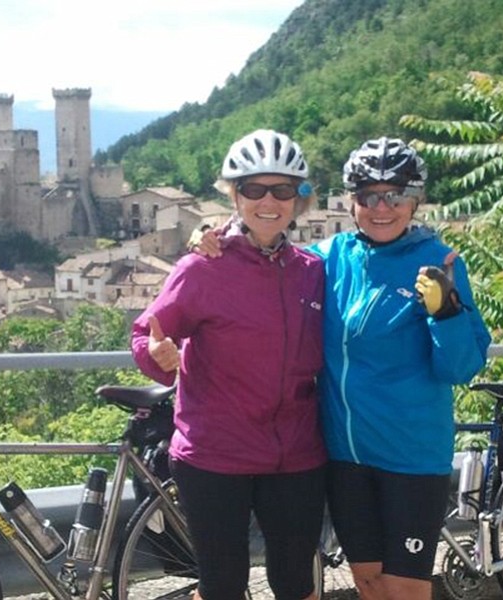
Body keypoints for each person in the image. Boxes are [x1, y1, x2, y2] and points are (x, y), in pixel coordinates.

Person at [194, 137, 492, 600]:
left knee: (405, 590)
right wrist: (214, 237)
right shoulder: (329, 259)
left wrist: (448, 313)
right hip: (345, 459)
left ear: (415, 200)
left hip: (411, 457)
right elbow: (266, 254)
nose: (382, 208)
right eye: (368, 196)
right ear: (350, 201)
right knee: (370, 582)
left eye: (396, 195)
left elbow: (461, 367)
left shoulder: (439, 262)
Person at [130, 129, 327, 600]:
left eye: (283, 190)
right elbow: (146, 333)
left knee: (299, 584)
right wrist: (158, 358)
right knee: (221, 587)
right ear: (234, 195)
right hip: (216, 454)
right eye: (254, 189)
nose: (269, 201)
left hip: (296, 453)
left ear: (300, 199)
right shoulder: (202, 269)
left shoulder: (313, 270)